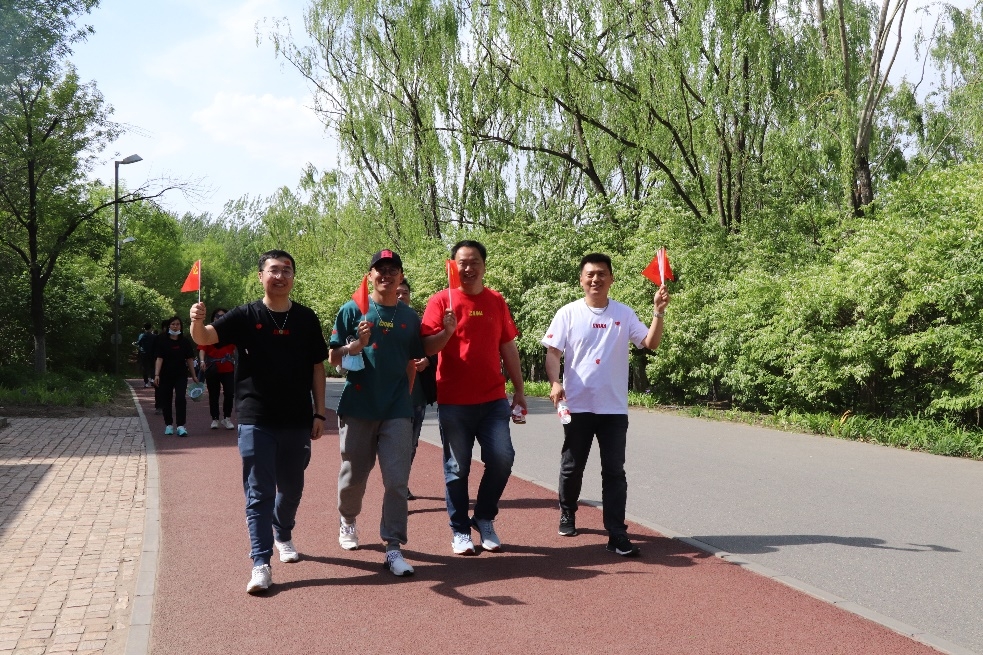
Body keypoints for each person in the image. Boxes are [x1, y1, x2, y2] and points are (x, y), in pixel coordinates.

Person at [189, 250, 328, 595]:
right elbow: (204, 338)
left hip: (296, 418)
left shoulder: (306, 318)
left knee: (292, 488)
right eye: (273, 270)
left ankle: (283, 532)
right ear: (260, 276)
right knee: (259, 491)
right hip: (256, 417)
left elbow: (317, 367)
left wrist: (319, 412)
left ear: (293, 276)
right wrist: (196, 320)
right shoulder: (245, 315)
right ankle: (260, 562)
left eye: (287, 270)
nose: (280, 276)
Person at [541, 252, 670, 557]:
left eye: (602, 274)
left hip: (613, 409)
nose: (596, 279)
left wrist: (658, 312)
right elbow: (553, 353)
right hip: (578, 405)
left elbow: (650, 343)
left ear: (611, 278)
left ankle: (616, 533)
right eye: (590, 274)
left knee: (614, 472)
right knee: (572, 466)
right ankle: (567, 511)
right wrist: (555, 382)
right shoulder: (568, 313)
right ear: (581, 280)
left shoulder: (623, 313)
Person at [421, 240, 525, 555]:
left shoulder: (495, 300)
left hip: (493, 399)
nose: (468, 268)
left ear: (484, 265)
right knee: (457, 467)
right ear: (453, 266)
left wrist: (519, 389)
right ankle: (460, 530)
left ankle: (483, 517)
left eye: (474, 262)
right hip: (454, 400)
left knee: (502, 459)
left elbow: (508, 345)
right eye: (462, 263)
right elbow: (427, 348)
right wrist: (446, 332)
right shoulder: (441, 301)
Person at [329, 250, 427, 577]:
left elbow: (413, 361)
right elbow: (333, 357)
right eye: (380, 269)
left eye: (392, 269)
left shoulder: (409, 316)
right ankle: (348, 519)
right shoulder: (352, 309)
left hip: (396, 409)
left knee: (397, 481)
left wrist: (405, 398)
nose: (386, 274)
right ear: (370, 275)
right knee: (354, 477)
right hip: (358, 406)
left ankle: (394, 546)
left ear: (400, 276)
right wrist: (355, 346)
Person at [396, 279, 437, 501]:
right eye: (397, 292)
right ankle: (395, 484)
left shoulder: (419, 323)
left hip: (416, 397)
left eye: (405, 292)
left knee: (411, 444)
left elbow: (437, 348)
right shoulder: (381, 321)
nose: (401, 296)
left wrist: (427, 361)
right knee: (392, 444)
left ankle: (400, 484)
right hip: (391, 398)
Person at [153, 316, 198, 437]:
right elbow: (159, 358)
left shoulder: (185, 342)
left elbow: (189, 359)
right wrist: (156, 374)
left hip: (180, 375)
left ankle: (180, 426)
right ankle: (168, 424)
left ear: (181, 326)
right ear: (169, 326)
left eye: (178, 324)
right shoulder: (162, 341)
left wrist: (194, 375)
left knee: (180, 398)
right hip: (165, 375)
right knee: (166, 399)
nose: (175, 326)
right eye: (173, 324)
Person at [198, 308, 236, 430]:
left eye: (223, 316)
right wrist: (202, 361)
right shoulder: (208, 332)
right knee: (213, 394)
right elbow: (202, 348)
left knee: (229, 393)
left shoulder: (231, 332)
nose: (220, 319)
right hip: (212, 367)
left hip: (228, 367)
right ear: (213, 318)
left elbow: (237, 348)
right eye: (217, 316)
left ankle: (227, 418)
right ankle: (215, 418)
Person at [136, 323, 157, 388]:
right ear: (151, 328)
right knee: (153, 367)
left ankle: (146, 383)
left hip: (144, 353)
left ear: (144, 328)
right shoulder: (154, 336)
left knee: (145, 368)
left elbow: (139, 343)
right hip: (152, 354)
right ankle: (152, 379)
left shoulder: (143, 336)